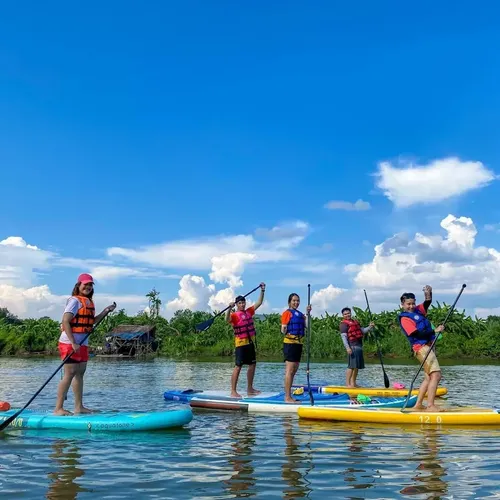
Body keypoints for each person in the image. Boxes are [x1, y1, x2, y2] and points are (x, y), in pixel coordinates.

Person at [54, 273, 116, 416]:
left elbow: (91, 321)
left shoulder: (87, 302)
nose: (87, 287)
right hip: (70, 342)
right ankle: (58, 408)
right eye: (85, 284)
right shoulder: (74, 301)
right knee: (69, 373)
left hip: (82, 343)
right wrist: (73, 342)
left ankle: (79, 407)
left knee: (80, 373)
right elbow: (65, 321)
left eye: (90, 285)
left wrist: (106, 311)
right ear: (78, 285)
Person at [398, 285, 445, 412]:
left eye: (413, 303)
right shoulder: (405, 318)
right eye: (408, 304)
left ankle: (418, 404)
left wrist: (428, 293)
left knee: (428, 377)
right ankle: (430, 406)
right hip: (421, 348)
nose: (411, 306)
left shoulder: (418, 311)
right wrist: (435, 330)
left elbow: (427, 302)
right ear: (402, 304)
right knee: (436, 375)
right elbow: (415, 334)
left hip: (428, 346)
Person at [225, 282, 266, 398]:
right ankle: (233, 391)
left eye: (243, 302)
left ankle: (250, 388)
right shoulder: (234, 315)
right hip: (240, 344)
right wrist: (229, 309)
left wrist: (262, 291)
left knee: (252, 365)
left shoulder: (249, 312)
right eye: (240, 303)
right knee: (238, 366)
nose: (242, 304)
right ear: (237, 304)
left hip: (250, 343)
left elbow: (259, 302)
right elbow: (226, 319)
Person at [281, 293, 312, 403]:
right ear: (289, 302)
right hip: (290, 343)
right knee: (289, 370)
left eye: (298, 300)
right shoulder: (286, 313)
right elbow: (283, 329)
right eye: (294, 300)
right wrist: (285, 329)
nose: (296, 302)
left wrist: (308, 313)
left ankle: (288, 395)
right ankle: (287, 397)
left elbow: (307, 325)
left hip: (298, 343)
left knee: (294, 370)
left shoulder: (300, 314)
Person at [339, 307, 374, 388]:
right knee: (351, 366)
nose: (347, 315)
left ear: (350, 313)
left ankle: (353, 383)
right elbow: (344, 337)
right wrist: (347, 348)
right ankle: (348, 384)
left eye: (348, 313)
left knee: (356, 366)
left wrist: (370, 327)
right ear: (343, 315)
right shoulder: (343, 324)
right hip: (352, 346)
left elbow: (362, 331)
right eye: (345, 314)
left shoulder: (355, 322)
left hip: (358, 346)